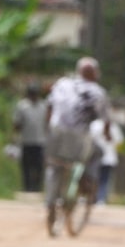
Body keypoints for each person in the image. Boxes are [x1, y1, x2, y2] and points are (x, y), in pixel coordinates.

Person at [43, 57, 109, 219]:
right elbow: (106, 120)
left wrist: (47, 128)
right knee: (97, 152)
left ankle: (50, 201)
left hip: (56, 132)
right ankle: (88, 182)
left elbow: (49, 107)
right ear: (94, 74)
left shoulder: (62, 83)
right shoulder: (98, 92)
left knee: (54, 164)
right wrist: (107, 134)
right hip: (80, 137)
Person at [12, 82, 49, 192]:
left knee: (39, 166)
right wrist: (15, 137)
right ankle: (27, 187)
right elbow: (17, 123)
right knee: (26, 166)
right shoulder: (22, 106)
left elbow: (47, 123)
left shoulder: (44, 106)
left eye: (35, 93)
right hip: (26, 141)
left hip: (40, 141)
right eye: (32, 93)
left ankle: (37, 187)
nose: (34, 96)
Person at [88, 110, 122, 204]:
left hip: (97, 158)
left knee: (94, 178)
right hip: (107, 158)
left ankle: (94, 197)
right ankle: (100, 198)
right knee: (103, 179)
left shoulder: (95, 125)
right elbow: (119, 143)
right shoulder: (114, 127)